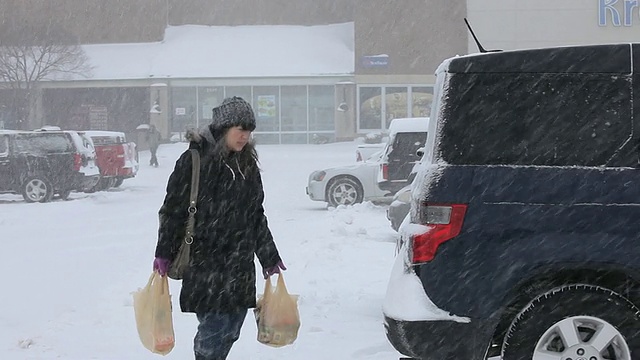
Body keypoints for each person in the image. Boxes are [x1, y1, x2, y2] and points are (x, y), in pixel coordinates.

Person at [152, 96, 286, 360]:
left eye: (249, 131)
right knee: (214, 328)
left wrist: (269, 256)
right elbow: (173, 211)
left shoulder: (247, 164)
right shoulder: (193, 161)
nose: (245, 136)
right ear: (225, 127)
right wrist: (163, 252)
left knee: (233, 325)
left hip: (239, 262)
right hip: (206, 261)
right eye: (240, 129)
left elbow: (255, 214)